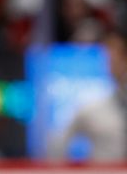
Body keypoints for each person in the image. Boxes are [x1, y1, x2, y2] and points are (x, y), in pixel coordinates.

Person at [49, 27, 127, 161]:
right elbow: (56, 145)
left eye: (119, 54)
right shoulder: (92, 108)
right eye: (109, 54)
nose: (111, 61)